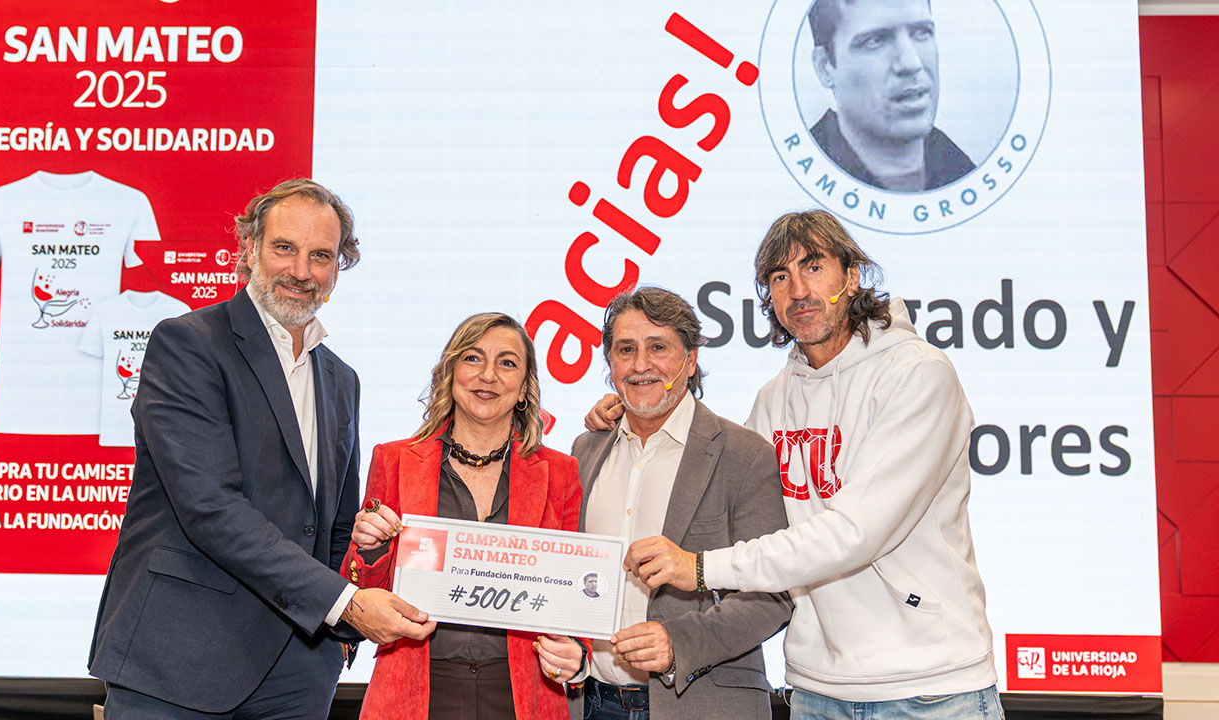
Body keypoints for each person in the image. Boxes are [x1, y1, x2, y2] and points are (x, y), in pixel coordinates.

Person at [589, 211, 1000, 718]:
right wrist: (631, 414)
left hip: (928, 687)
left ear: (851, 276)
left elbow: (856, 532)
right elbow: (716, 481)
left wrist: (698, 568)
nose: (798, 289)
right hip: (816, 689)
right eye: (780, 277)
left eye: (813, 266)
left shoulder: (918, 375)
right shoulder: (774, 399)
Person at [89, 179, 437, 719]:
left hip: (298, 673)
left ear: (337, 270)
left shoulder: (341, 379)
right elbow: (210, 508)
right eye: (284, 248)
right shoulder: (187, 345)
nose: (301, 271)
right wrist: (345, 604)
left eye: (321, 255)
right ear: (248, 251)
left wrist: (349, 606)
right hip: (179, 664)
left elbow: (335, 525)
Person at [341, 312, 583, 720]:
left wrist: (577, 654)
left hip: (522, 693)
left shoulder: (560, 472)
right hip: (417, 687)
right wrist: (368, 547)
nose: (488, 375)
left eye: (507, 363)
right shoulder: (395, 459)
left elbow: (574, 593)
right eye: (472, 358)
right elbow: (362, 588)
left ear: (524, 389)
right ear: (451, 374)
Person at [564, 288, 791, 720]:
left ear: (690, 361)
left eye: (658, 348)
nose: (641, 364)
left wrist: (678, 645)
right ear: (610, 364)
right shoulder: (585, 450)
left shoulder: (744, 455)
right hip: (591, 703)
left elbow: (774, 594)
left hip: (704, 706)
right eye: (625, 349)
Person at [807, 0, 974, 191]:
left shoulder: (966, 178)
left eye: (922, 32)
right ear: (825, 67)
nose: (911, 63)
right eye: (875, 41)